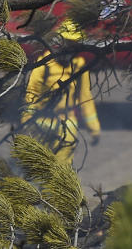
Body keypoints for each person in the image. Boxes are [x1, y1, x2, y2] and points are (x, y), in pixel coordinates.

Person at [22, 21, 101, 165]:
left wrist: (94, 128)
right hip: (42, 122)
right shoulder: (44, 62)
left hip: (67, 123)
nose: (71, 48)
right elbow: (31, 93)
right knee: (41, 167)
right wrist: (27, 120)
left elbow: (85, 97)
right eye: (69, 43)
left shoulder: (79, 64)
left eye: (74, 44)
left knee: (62, 169)